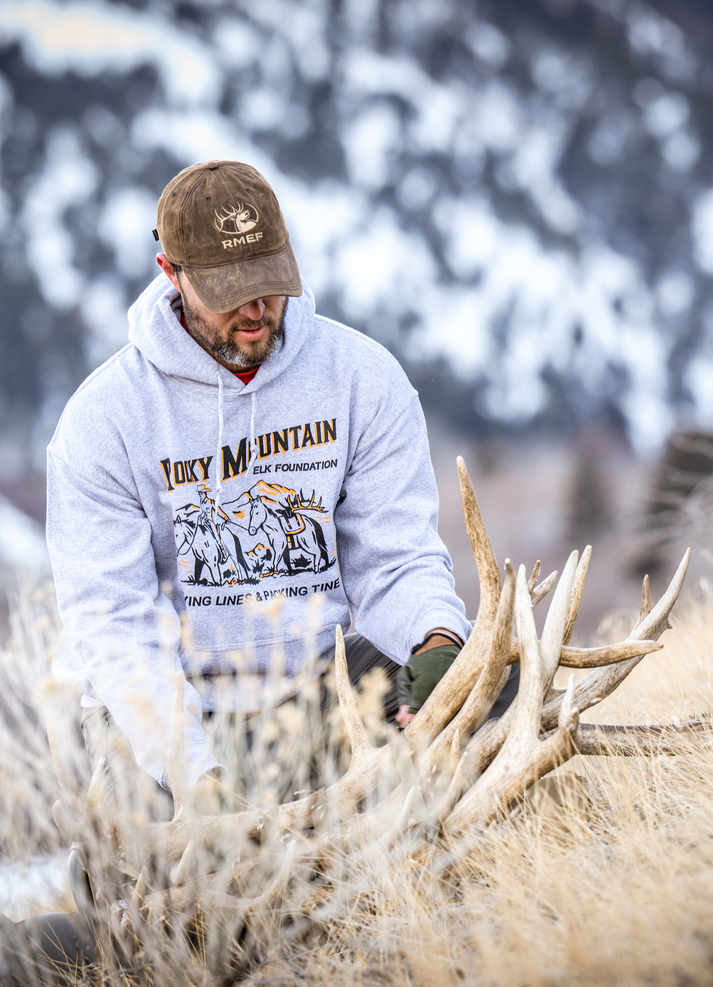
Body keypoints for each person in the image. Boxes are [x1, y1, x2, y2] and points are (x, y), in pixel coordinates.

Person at [46, 160, 472, 794]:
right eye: (228, 290)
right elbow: (116, 627)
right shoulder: (102, 420)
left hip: (316, 685)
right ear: (172, 274)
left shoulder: (362, 379)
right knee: (181, 879)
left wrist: (436, 640)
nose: (255, 309)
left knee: (489, 682)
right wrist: (195, 776)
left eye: (269, 281)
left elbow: (396, 559)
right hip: (176, 699)